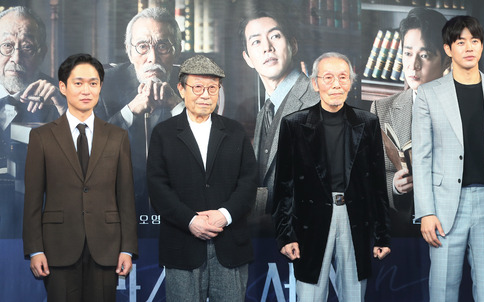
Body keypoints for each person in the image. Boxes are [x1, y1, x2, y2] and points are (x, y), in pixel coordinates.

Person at [412, 16, 484, 302]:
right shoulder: (427, 94)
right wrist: (425, 211)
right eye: (461, 42)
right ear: (448, 49)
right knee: (442, 292)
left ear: (482, 46)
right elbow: (422, 158)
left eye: (474, 41)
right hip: (445, 205)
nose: (469, 47)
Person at [273, 52, 391, 301]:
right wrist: (286, 235)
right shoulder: (294, 124)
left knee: (354, 294)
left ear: (351, 82)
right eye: (328, 77)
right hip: (311, 217)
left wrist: (382, 235)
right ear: (315, 83)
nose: (336, 84)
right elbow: (284, 185)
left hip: (355, 216)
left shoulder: (367, 123)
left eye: (343, 77)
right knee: (310, 294)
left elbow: (378, 185)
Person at [23, 53, 138, 301]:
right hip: (58, 248)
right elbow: (32, 200)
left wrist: (127, 248)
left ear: (100, 87)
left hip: (106, 247)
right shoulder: (42, 137)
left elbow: (126, 197)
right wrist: (35, 250)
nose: (86, 90)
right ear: (63, 87)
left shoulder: (117, 136)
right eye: (78, 83)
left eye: (93, 83)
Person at [147, 55, 257, 302]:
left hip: (229, 246)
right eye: (197, 87)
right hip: (182, 245)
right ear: (181, 89)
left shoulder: (235, 131)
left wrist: (224, 215)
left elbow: (249, 182)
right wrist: (190, 220)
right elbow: (157, 187)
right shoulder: (163, 134)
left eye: (212, 88)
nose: (205, 95)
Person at [95, 7, 184, 231]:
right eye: (143, 46)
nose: (152, 57)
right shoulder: (103, 85)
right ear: (129, 51)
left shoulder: (195, 84)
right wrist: (131, 111)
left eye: (163, 46)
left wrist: (177, 106)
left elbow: (209, 148)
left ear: (177, 50)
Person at [0, 6, 65, 238]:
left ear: (42, 53)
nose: (16, 58)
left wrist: (61, 108)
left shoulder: (62, 100)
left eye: (27, 47)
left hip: (43, 230)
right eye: (7, 46)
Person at [371, 7, 449, 237]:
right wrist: (395, 186)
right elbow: (368, 177)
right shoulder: (380, 109)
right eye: (407, 53)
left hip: (452, 230)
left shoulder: (468, 109)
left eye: (424, 55)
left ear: (445, 59)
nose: (413, 65)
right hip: (400, 235)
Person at [239, 6, 320, 228]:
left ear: (293, 45)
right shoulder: (265, 109)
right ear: (247, 58)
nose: (267, 47)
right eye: (256, 42)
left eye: (275, 36)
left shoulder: (317, 101)